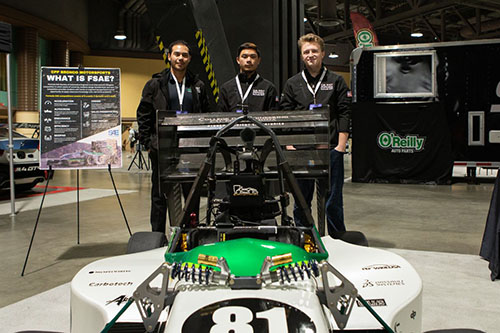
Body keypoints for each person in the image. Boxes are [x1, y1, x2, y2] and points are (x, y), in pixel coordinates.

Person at [136, 40, 212, 233]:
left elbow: (205, 115)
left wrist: (202, 145)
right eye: (177, 54)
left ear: (189, 59)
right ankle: (158, 235)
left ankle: (190, 233)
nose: (180, 58)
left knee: (191, 192)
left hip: (190, 148)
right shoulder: (155, 84)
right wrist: (148, 142)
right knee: (160, 194)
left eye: (184, 55)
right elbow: (143, 114)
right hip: (163, 147)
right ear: (169, 56)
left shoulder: (198, 85)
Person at [279, 33, 351, 235]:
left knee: (333, 200)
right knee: (301, 200)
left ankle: (339, 239)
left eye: (314, 51)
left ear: (322, 54)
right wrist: (289, 145)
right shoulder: (293, 84)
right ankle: (304, 238)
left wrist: (341, 145)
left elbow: (344, 112)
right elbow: (285, 116)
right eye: (306, 52)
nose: (310, 55)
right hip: (301, 150)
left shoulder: (336, 81)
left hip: (330, 149)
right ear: (302, 56)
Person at [218, 42, 278, 113]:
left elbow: (274, 117)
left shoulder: (268, 88)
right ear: (238, 60)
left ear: (258, 60)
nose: (249, 60)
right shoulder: (226, 89)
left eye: (253, 57)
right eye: (244, 56)